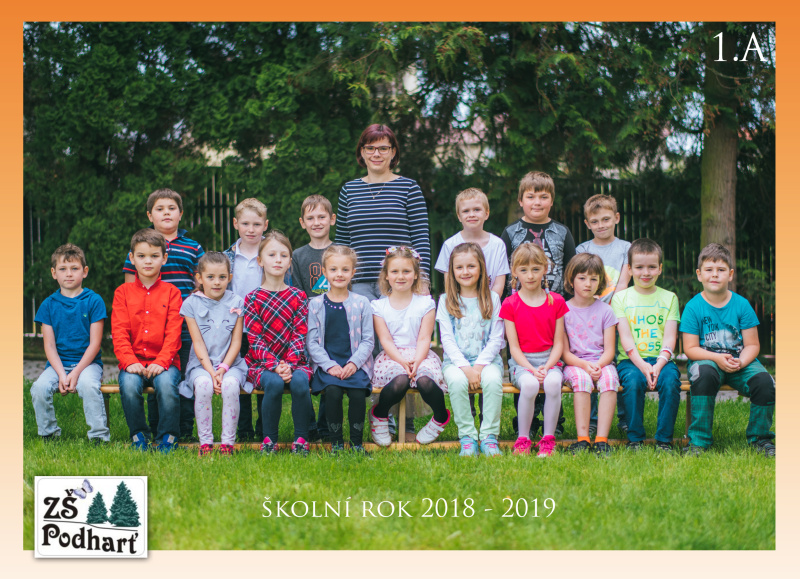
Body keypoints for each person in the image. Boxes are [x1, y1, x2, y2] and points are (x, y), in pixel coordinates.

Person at [336, 123, 432, 436]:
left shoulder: (409, 188)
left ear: (393, 153)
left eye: (383, 148)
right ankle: (380, 417)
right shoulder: (349, 190)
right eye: (370, 147)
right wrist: (340, 284)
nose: (376, 153)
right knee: (371, 350)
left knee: (404, 348)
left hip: (401, 283)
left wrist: (422, 281)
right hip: (360, 284)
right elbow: (343, 242)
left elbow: (421, 237)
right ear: (361, 153)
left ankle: (405, 420)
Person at [122, 188, 204, 442]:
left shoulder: (193, 247)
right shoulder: (141, 245)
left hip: (185, 326)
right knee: (153, 378)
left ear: (181, 214)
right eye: (160, 209)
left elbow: (201, 285)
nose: (166, 213)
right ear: (150, 215)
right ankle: (156, 427)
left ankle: (184, 430)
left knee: (184, 379)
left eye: (171, 208)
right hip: (149, 326)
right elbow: (130, 293)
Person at [680, 243, 775, 457]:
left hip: (739, 362)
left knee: (765, 382)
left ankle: (760, 439)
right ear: (699, 274)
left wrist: (741, 362)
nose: (715, 274)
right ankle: (699, 442)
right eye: (709, 270)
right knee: (703, 374)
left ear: (730, 274)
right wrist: (716, 358)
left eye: (721, 270)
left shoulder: (742, 305)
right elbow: (690, 348)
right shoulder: (693, 307)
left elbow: (753, 345)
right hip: (706, 361)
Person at [500, 171, 574, 438]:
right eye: (531, 197)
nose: (537, 202)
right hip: (520, 311)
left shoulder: (562, 232)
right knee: (523, 369)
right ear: (521, 200)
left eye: (543, 197)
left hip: (553, 310)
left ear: (551, 201)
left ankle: (555, 421)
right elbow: (503, 269)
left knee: (552, 366)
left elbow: (570, 271)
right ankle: (527, 424)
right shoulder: (510, 232)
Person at [369, 246, 449, 446]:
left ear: (415, 275)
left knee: (425, 381)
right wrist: (402, 362)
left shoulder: (425, 303)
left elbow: (424, 338)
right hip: (392, 356)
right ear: (386, 275)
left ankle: (440, 416)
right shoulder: (379, 306)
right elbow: (385, 340)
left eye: (406, 271)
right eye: (395, 271)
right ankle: (379, 415)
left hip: (421, 354)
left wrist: (417, 361)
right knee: (400, 380)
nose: (400, 276)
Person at [30, 244, 109, 444]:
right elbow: (49, 347)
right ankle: (49, 434)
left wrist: (75, 373)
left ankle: (99, 436)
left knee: (88, 385)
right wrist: (62, 374)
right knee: (39, 388)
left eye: (74, 268)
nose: (69, 274)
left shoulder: (94, 301)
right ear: (53, 273)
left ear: (85, 271)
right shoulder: (48, 305)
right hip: (58, 365)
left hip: (88, 364)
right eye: (63, 269)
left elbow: (95, 344)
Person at [112, 229, 183, 452]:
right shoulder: (122, 292)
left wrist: (162, 361)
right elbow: (119, 332)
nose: (148, 261)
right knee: (129, 385)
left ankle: (167, 437)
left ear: (164, 258)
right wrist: (129, 361)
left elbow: (174, 333)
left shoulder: (172, 292)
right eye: (141, 256)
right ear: (132, 258)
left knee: (166, 385)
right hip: (133, 361)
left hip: (165, 362)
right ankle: (139, 435)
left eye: (154, 256)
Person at [244, 231, 314, 456]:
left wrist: (289, 365)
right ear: (260, 261)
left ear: (289, 262)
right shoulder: (252, 298)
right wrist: (275, 366)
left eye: (283, 256)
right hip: (262, 364)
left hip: (295, 361)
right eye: (272, 255)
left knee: (300, 382)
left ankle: (301, 439)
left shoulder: (298, 296)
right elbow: (255, 339)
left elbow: (299, 335)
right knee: (273, 383)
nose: (278, 260)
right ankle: (269, 440)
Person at [612, 238, 681, 452]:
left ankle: (664, 440)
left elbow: (670, 338)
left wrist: (658, 365)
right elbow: (626, 338)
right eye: (639, 267)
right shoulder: (620, 298)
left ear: (660, 268)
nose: (646, 272)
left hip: (662, 360)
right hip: (630, 361)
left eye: (652, 267)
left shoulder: (670, 298)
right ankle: (635, 439)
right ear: (630, 269)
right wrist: (642, 365)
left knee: (671, 382)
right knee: (633, 382)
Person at [436, 243, 505, 457]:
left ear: (481, 268)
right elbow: (447, 340)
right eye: (459, 267)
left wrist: (479, 366)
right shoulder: (446, 300)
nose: (465, 272)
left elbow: (496, 338)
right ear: (452, 271)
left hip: (488, 362)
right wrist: (466, 369)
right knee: (457, 382)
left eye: (471, 266)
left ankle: (489, 437)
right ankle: (467, 437)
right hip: (456, 363)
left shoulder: (493, 299)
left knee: (493, 381)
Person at [500, 243, 568, 457]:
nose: (530, 275)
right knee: (529, 385)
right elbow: (513, 348)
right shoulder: (510, 304)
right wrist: (531, 368)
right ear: (514, 271)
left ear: (545, 269)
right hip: (522, 363)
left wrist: (547, 367)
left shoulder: (556, 301)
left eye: (536, 269)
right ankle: (523, 439)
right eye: (524, 270)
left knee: (553, 383)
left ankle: (548, 440)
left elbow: (559, 344)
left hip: (550, 361)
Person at [306, 245, 374, 453]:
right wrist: (329, 366)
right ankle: (336, 443)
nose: (339, 274)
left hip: (355, 364)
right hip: (328, 366)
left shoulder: (362, 303)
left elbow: (368, 340)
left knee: (357, 393)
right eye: (333, 269)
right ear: (324, 272)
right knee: (333, 392)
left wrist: (354, 363)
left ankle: (356, 443)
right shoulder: (315, 304)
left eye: (345, 269)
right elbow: (312, 342)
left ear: (353, 272)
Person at [180, 252, 248, 456]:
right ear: (199, 278)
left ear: (230, 277)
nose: (216, 282)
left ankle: (227, 443)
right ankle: (206, 443)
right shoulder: (191, 304)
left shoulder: (237, 301)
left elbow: (236, 342)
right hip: (201, 365)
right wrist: (211, 372)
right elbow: (198, 343)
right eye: (210, 277)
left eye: (222, 277)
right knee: (203, 386)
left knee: (230, 386)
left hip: (231, 364)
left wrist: (223, 369)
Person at [576, 193, 631, 437]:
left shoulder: (626, 249)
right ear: (587, 224)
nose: (601, 225)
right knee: (592, 364)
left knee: (617, 364)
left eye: (606, 219)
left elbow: (623, 284)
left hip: (614, 315)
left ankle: (623, 417)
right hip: (588, 316)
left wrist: (609, 311)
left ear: (616, 218)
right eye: (595, 221)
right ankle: (592, 419)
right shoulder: (583, 249)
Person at [561, 254, 620, 456]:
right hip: (575, 363)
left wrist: (599, 365)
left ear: (600, 282)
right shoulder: (563, 310)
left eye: (594, 279)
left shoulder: (606, 311)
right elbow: (564, 352)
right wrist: (585, 366)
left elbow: (610, 350)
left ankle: (601, 440)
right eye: (582, 278)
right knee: (582, 380)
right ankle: (583, 439)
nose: (588, 284)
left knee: (610, 380)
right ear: (571, 280)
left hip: (602, 362)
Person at [223, 197, 269, 443]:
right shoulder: (227, 258)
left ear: (265, 225)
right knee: (238, 374)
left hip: (265, 325)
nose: (251, 230)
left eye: (257, 224)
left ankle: (264, 426)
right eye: (245, 224)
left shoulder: (272, 254)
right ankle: (243, 429)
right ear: (235, 224)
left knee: (263, 372)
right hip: (236, 326)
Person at [292, 194, 337, 441]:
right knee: (306, 370)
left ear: (332, 219)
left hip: (336, 321)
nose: (316, 222)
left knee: (330, 368)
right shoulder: (298, 255)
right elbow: (298, 292)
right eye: (310, 218)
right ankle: (309, 426)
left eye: (321, 217)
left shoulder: (340, 251)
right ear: (302, 222)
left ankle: (325, 425)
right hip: (307, 322)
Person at [435, 188, 509, 297]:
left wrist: (489, 304)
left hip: (490, 304)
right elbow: (449, 284)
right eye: (466, 211)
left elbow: (499, 284)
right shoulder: (450, 245)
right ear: (459, 216)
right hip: (460, 305)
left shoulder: (498, 244)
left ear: (487, 213)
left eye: (477, 209)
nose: (471, 214)